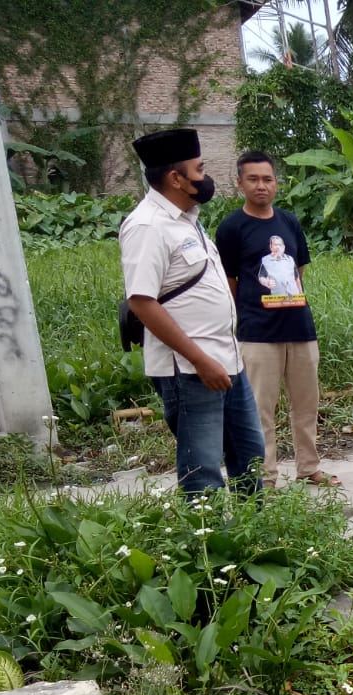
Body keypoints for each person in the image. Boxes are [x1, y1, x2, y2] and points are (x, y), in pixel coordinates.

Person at [120, 127, 265, 496]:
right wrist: (201, 361)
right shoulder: (147, 226)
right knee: (203, 470)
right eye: (199, 169)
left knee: (250, 455)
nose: (205, 176)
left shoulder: (187, 218)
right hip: (191, 370)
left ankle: (255, 528)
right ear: (175, 178)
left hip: (227, 360)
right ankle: (208, 534)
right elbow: (141, 301)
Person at [216, 151, 336, 488]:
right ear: (240, 183)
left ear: (276, 184)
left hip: (299, 327)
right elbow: (229, 282)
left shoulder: (289, 222)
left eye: (267, 179)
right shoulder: (231, 227)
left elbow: (298, 273)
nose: (261, 186)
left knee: (307, 404)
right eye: (253, 179)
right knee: (260, 409)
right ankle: (265, 477)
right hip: (257, 332)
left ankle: (309, 468)